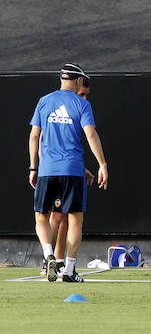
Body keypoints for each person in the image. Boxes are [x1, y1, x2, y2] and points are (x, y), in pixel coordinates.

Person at [29, 63, 109, 283]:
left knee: (41, 216)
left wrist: (33, 166)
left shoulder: (44, 101)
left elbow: (34, 136)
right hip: (72, 170)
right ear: (76, 81)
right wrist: (102, 163)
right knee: (75, 220)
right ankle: (70, 270)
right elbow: (90, 134)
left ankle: (48, 256)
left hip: (46, 170)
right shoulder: (81, 104)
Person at [43, 78, 95, 276]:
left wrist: (83, 169)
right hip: (55, 169)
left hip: (69, 168)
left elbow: (69, 147)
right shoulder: (57, 106)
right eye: (81, 93)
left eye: (85, 95)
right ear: (75, 84)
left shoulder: (78, 108)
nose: (83, 97)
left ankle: (58, 261)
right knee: (57, 216)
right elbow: (41, 141)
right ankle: (48, 261)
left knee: (66, 217)